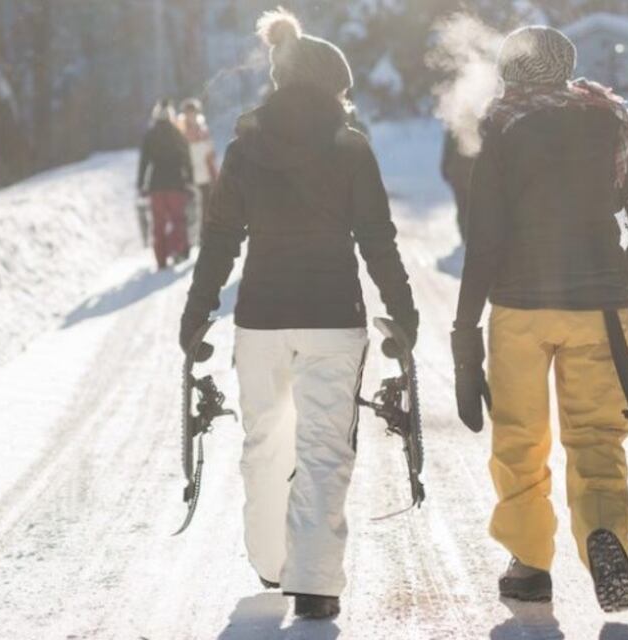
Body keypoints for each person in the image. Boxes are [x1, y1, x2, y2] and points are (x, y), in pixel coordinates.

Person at [179, 8, 418, 620]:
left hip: (260, 317)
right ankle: (314, 582)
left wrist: (197, 310)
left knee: (264, 442)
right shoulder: (351, 146)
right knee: (323, 447)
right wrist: (403, 310)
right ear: (333, 87)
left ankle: (270, 561)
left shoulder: (243, 146)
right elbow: (377, 238)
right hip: (334, 316)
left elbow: (221, 238)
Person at [451, 26, 628, 613]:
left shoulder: (503, 127)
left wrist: (463, 330)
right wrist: (626, 283)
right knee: (598, 436)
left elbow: (486, 241)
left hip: (521, 311)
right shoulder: (611, 121)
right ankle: (604, 532)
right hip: (599, 309)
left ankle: (528, 565)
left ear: (511, 72)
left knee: (521, 438)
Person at [137, 99, 193, 269]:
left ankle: (160, 259)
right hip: (176, 183)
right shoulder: (177, 133)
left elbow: (144, 162)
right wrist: (190, 180)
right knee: (178, 220)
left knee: (158, 223)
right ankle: (175, 249)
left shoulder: (150, 135)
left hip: (156, 185)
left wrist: (141, 184)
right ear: (171, 115)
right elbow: (187, 159)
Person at [179, 98, 219, 247]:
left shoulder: (203, 129)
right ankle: (188, 242)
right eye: (188, 113)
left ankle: (204, 238)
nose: (191, 116)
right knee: (189, 211)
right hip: (189, 177)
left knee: (206, 209)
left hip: (205, 175)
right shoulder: (181, 131)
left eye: (193, 113)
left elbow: (211, 152)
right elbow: (181, 155)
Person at [440, 128, 476, 242]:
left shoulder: (454, 122)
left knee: (462, 207)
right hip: (473, 174)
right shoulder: (480, 121)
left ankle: (466, 237)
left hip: (458, 174)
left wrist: (445, 168)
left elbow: (448, 149)